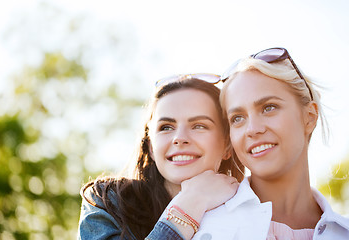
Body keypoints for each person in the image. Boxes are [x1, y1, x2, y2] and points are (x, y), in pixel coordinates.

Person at [190, 47, 349, 239]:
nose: (252, 129)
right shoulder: (201, 228)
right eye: (237, 118)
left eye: (269, 108)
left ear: (309, 117)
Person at [77, 76, 244, 240]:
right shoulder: (108, 202)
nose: (179, 138)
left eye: (199, 126)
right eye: (166, 127)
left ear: (227, 145)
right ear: (150, 146)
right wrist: (189, 207)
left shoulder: (251, 209)